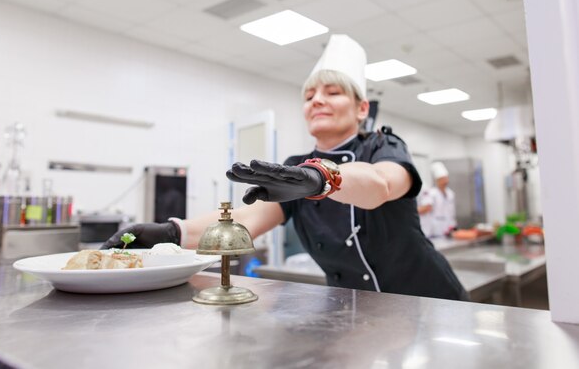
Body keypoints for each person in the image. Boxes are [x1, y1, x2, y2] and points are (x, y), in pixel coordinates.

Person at [102, 35, 468, 301]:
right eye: (309, 96)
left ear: (361, 109)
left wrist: (321, 179)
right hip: (356, 309)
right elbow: (245, 221)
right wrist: (171, 233)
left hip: (429, 302)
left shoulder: (383, 146)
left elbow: (380, 186)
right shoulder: (296, 169)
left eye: (333, 92)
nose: (317, 101)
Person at [425, 161, 457, 237]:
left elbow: (452, 210)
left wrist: (454, 224)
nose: (445, 181)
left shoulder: (450, 193)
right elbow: (427, 208)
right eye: (442, 179)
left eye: (446, 178)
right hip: (436, 226)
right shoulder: (432, 193)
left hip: (449, 225)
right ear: (437, 180)